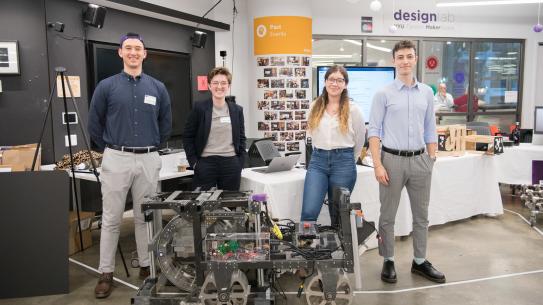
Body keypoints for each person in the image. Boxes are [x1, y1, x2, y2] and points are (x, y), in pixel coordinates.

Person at [88, 32, 172, 298]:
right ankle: (105, 273)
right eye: (128, 48)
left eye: (138, 48)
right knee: (112, 219)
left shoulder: (157, 88)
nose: (133, 52)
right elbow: (94, 124)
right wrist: (111, 150)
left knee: (144, 217)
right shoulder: (106, 86)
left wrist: (152, 149)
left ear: (144, 54)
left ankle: (147, 267)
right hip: (116, 157)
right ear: (120, 52)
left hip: (148, 158)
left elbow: (165, 124)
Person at [368, 40, 445, 284]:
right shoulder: (383, 94)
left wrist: (431, 158)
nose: (404, 61)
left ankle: (420, 261)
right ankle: (388, 259)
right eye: (400, 57)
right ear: (394, 61)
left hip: (421, 161)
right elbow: (374, 132)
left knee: (421, 216)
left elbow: (430, 129)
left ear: (415, 59)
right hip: (391, 161)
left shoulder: (426, 93)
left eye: (409, 56)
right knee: (387, 216)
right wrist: (378, 164)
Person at [300, 65, 365, 226]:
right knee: (309, 211)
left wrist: (348, 159)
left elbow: (360, 140)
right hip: (318, 162)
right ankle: (306, 249)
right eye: (331, 79)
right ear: (325, 81)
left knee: (338, 214)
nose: (335, 84)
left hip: (343, 163)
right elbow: (310, 135)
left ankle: (339, 251)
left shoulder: (354, 109)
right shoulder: (315, 106)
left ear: (345, 84)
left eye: (339, 80)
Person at [183, 67, 246, 191]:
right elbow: (187, 136)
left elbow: (241, 137)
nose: (219, 87)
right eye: (215, 83)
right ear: (209, 85)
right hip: (206, 164)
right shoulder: (199, 108)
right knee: (203, 205)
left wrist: (241, 162)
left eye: (223, 83)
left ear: (228, 86)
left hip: (231, 164)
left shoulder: (237, 110)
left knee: (230, 205)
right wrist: (194, 163)